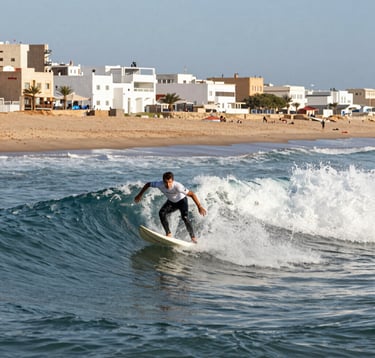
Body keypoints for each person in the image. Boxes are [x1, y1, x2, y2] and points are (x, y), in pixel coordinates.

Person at [134, 172, 206, 243]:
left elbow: (192, 194)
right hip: (171, 202)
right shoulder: (159, 184)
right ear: (163, 181)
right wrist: (139, 195)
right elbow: (148, 184)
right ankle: (168, 233)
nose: (168, 185)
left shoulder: (178, 186)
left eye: (170, 182)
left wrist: (199, 206)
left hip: (182, 202)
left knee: (185, 217)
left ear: (172, 180)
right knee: (161, 213)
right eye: (166, 182)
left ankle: (193, 237)